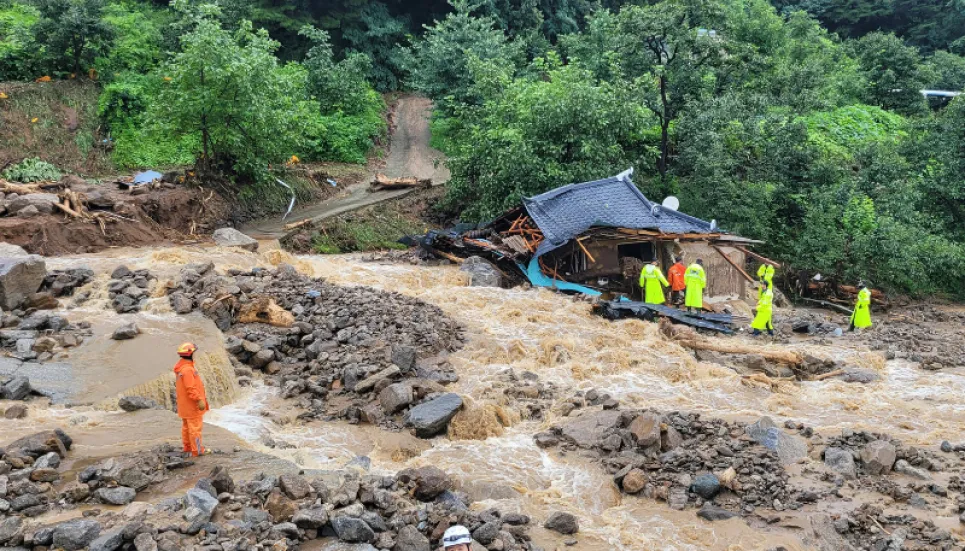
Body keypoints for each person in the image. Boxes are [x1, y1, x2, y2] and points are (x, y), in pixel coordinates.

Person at [174, 342, 210, 456]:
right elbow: (191, 388)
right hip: (192, 406)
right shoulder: (188, 370)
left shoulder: (182, 368)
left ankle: (188, 447)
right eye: (194, 352)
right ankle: (198, 450)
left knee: (186, 427)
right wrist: (199, 400)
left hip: (184, 406)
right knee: (195, 429)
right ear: (190, 354)